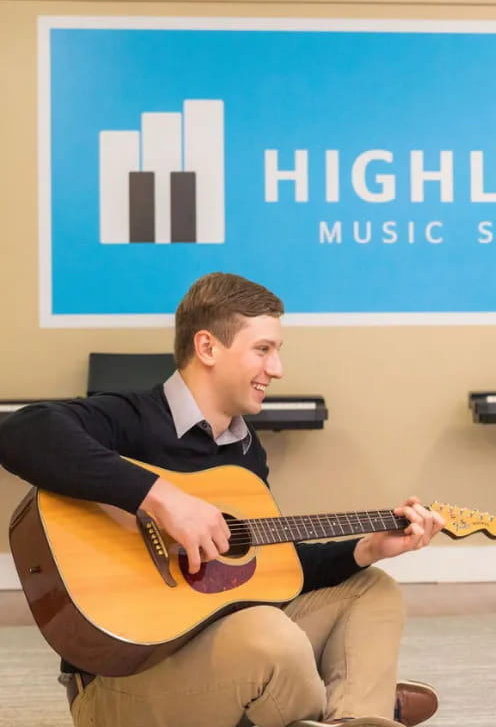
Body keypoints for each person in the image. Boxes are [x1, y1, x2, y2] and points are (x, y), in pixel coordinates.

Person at [0, 272, 444, 727]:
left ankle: (353, 717)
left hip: (227, 652)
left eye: (278, 351)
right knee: (270, 635)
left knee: (372, 588)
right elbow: (19, 433)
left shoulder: (246, 452)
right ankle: (345, 697)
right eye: (263, 350)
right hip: (123, 685)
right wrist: (162, 499)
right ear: (208, 347)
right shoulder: (131, 418)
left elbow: (269, 572)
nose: (277, 369)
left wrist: (366, 549)